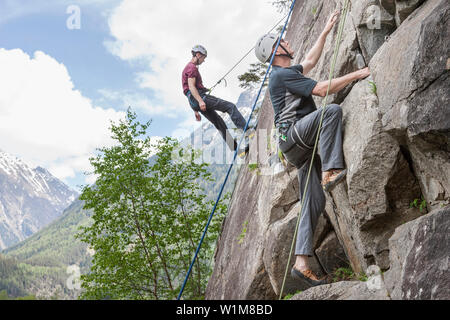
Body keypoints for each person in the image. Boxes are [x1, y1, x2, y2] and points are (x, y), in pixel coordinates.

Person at [255, 10, 370, 288]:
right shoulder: (280, 76)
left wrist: (325, 31)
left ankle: (301, 263)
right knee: (330, 112)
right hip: (295, 137)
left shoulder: (286, 73)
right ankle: (331, 169)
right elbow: (320, 90)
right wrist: (359, 73)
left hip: (296, 147)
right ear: (276, 50)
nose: (288, 42)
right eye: (282, 40)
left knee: (313, 200)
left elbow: (309, 60)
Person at [182, 45, 249, 154]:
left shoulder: (187, 68)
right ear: (198, 55)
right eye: (203, 57)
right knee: (230, 107)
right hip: (199, 97)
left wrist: (195, 109)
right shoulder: (192, 68)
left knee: (218, 122)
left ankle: (237, 149)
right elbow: (191, 87)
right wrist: (200, 100)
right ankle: (248, 132)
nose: (203, 61)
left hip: (193, 101)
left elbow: (187, 92)